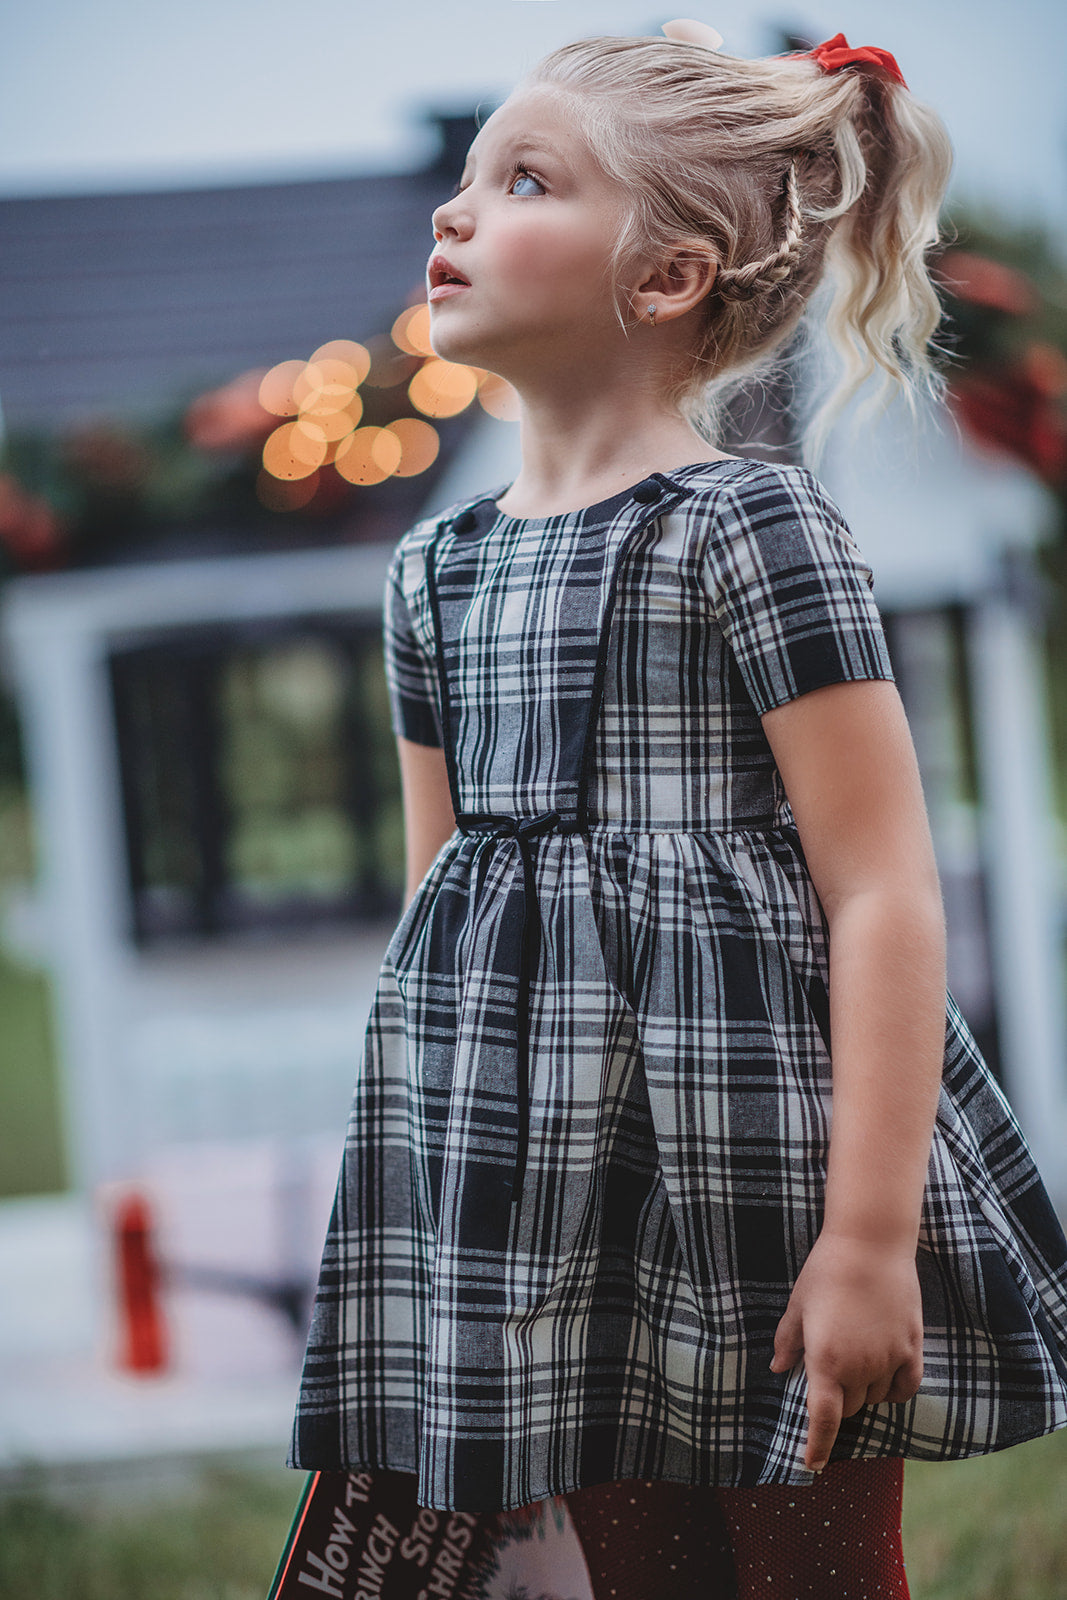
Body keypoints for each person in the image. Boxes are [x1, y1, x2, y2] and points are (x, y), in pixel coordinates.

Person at [289, 23, 1067, 1598]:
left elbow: (885, 889)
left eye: (521, 180)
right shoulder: (433, 572)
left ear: (664, 278)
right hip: (538, 1199)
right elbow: (447, 901)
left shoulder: (749, 525)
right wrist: (447, 1221)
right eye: (462, 179)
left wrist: (866, 1239)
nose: (452, 215)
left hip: (757, 1171)